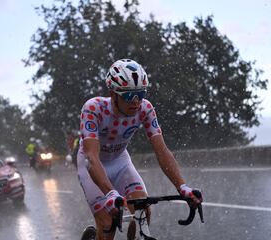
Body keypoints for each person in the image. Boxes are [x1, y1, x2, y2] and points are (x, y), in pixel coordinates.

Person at [77, 59, 203, 240]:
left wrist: (182, 187)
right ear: (113, 94)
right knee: (107, 224)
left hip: (120, 162)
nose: (136, 101)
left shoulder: (146, 109)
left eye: (141, 94)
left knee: (142, 212)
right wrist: (110, 193)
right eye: (129, 96)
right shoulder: (94, 108)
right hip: (92, 165)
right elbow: (91, 157)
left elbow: (162, 150)